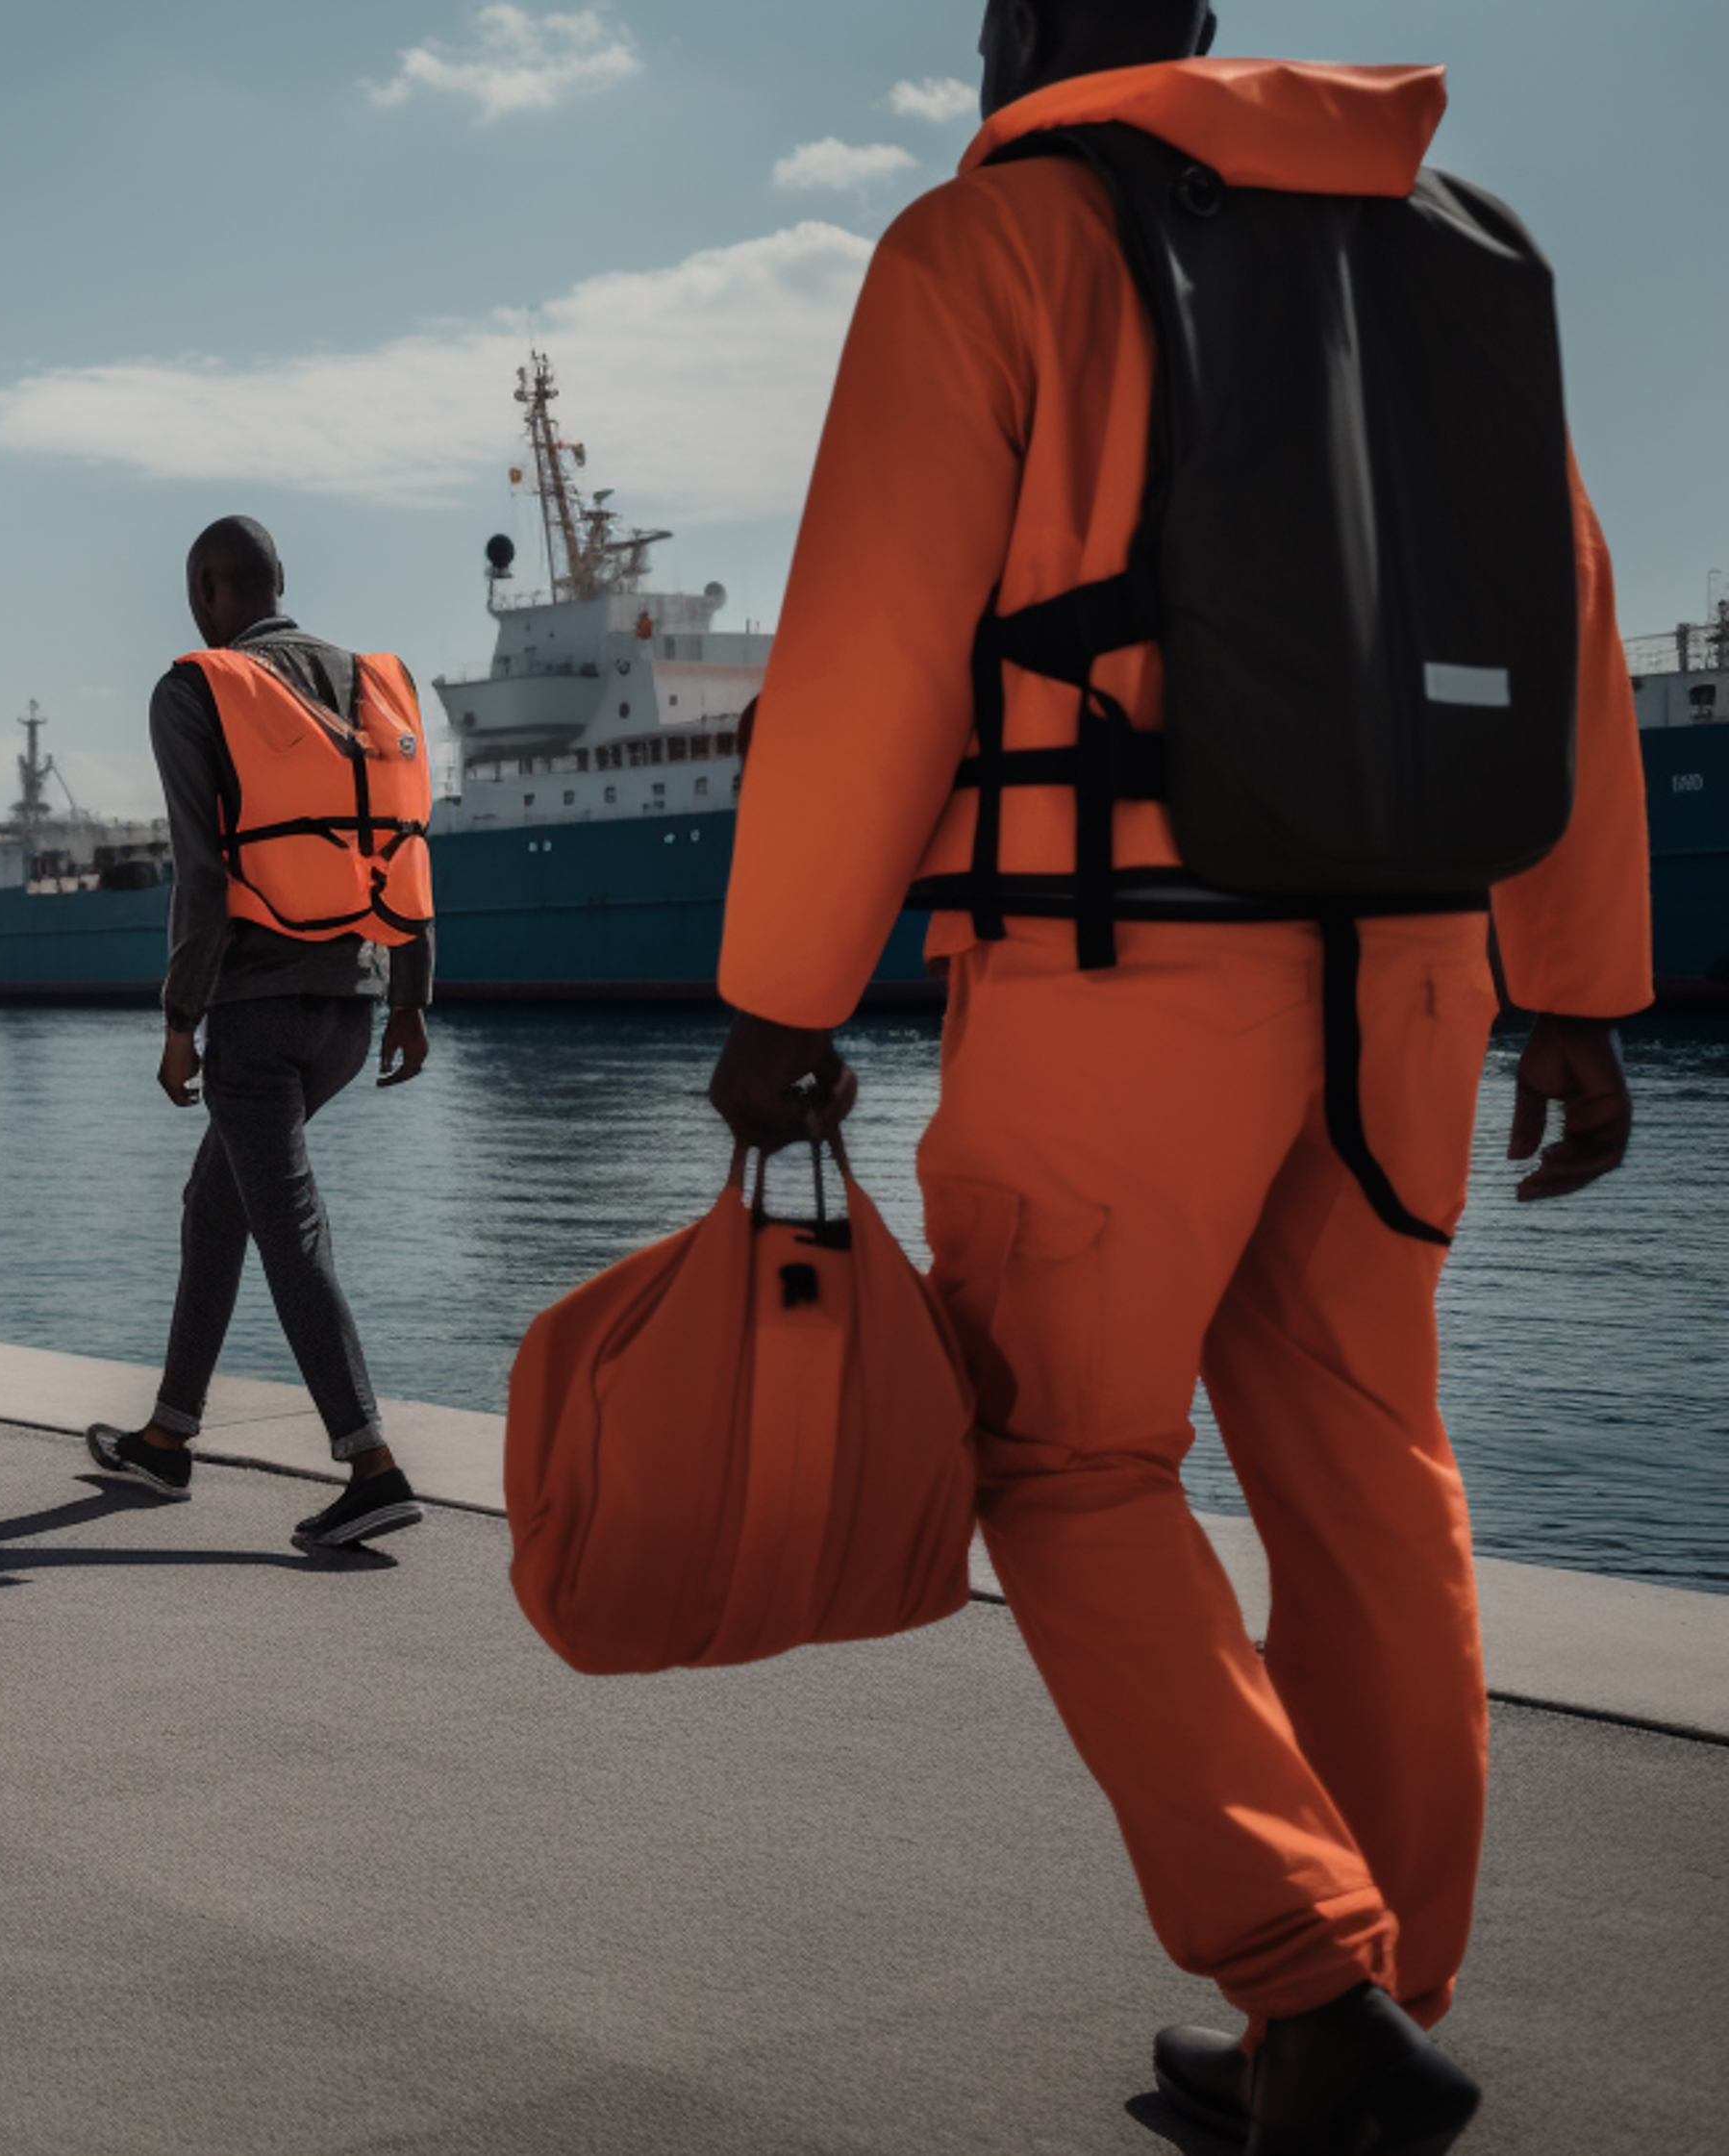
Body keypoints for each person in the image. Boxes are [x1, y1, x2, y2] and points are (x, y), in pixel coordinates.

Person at [703, 7, 1649, 2146]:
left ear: (1011, 31)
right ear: (1203, 21)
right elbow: (1564, 615)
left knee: (1054, 1455)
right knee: (1366, 1468)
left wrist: (776, 997)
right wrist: (1580, 986)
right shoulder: (1456, 253)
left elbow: (870, 634)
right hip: (1408, 975)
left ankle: (1311, 1991)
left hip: (1118, 963)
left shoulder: (993, 239)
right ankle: (1380, 1976)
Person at [84, 516, 438, 1552]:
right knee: (215, 1204)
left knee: (289, 1228)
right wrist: (412, 995)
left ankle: (369, 1463)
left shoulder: (194, 689)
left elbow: (200, 876)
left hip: (255, 1010)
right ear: (280, 583)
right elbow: (407, 841)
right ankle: (165, 1438)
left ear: (205, 590)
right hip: (354, 1005)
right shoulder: (372, 681)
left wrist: (179, 1020)